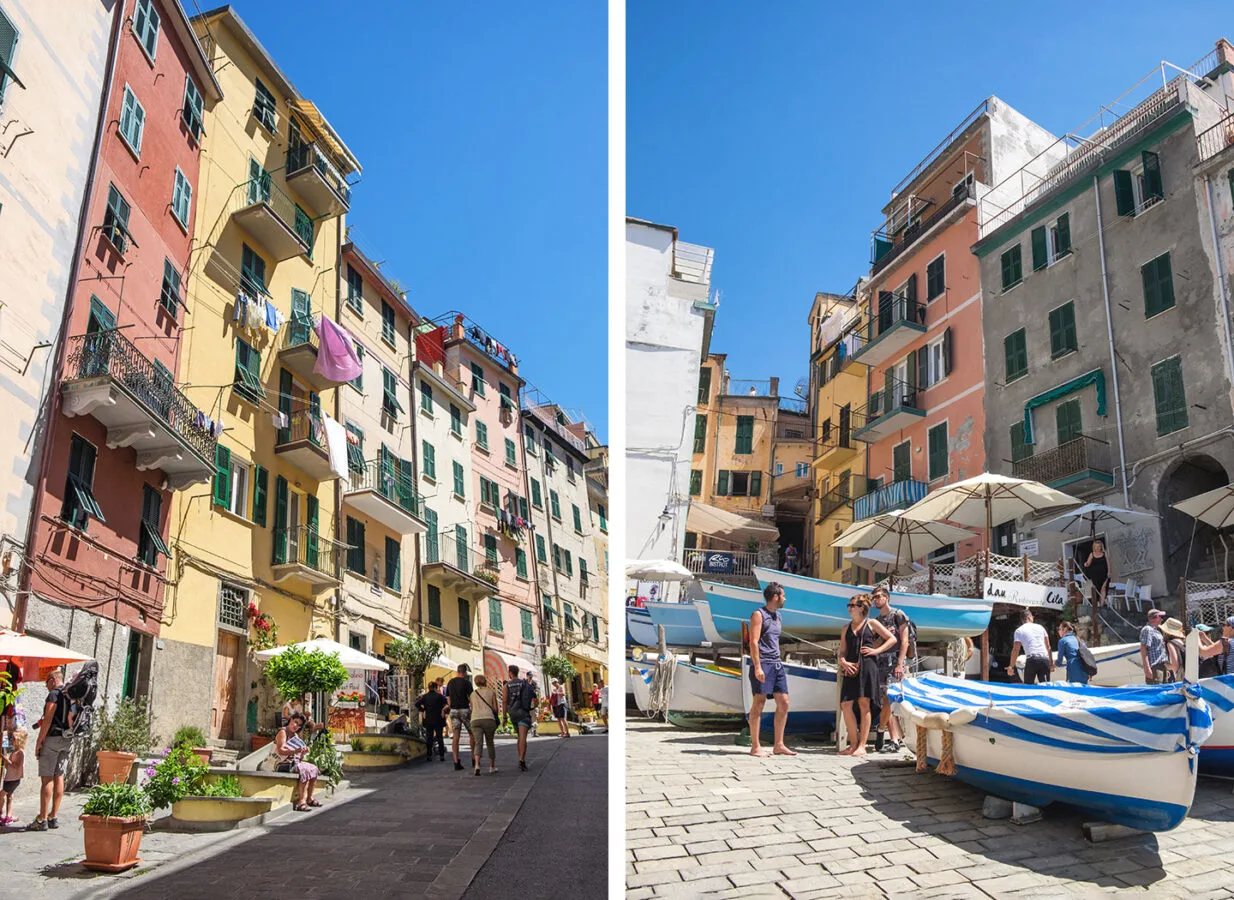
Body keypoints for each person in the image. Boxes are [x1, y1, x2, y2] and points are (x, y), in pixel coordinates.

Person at [838, 594, 896, 757]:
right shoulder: (845, 628)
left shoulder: (871, 623)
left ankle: (862, 746)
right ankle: (853, 744)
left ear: (861, 608)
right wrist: (843, 662)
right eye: (848, 605)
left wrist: (876, 651)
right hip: (850, 667)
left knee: (865, 704)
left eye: (852, 605)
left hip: (868, 666)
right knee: (845, 705)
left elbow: (891, 639)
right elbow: (842, 650)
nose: (849, 608)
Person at [747, 582, 797, 758]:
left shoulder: (779, 617)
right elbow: (753, 642)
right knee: (759, 703)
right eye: (783, 595)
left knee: (784, 703)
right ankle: (755, 746)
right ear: (775, 597)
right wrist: (758, 667)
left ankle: (779, 744)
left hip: (777, 664)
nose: (785, 598)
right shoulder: (758, 615)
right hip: (764, 664)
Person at [28, 669, 72, 831]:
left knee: (47, 779)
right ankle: (54, 816)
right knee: (59, 776)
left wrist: (40, 741)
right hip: (67, 739)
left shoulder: (54, 694)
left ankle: (42, 819)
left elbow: (48, 719)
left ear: (53, 679)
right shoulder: (69, 694)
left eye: (46, 681)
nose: (46, 685)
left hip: (52, 739)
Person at [870, 586, 910, 753]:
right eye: (874, 598)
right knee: (884, 701)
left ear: (886, 597)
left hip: (895, 663)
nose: (876, 600)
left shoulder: (898, 615)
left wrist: (900, 663)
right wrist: (882, 636)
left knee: (890, 699)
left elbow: (905, 640)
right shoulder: (876, 621)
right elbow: (874, 645)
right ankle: (892, 738)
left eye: (878, 596)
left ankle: (882, 731)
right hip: (880, 664)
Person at [272, 713, 320, 811]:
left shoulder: (295, 735)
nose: (296, 726)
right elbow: (281, 750)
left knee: (313, 769)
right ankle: (301, 802)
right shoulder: (283, 732)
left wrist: (302, 752)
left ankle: (309, 798)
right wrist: (296, 751)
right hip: (281, 763)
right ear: (291, 720)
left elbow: (298, 757)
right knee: (304, 769)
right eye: (295, 722)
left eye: (299, 725)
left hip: (292, 762)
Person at [504, 665, 537, 771]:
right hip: (523, 712)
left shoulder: (507, 685)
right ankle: (521, 759)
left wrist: (504, 717)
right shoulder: (525, 683)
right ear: (517, 672)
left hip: (513, 714)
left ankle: (520, 757)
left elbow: (504, 701)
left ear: (510, 673)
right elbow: (535, 700)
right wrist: (532, 707)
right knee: (523, 737)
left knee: (519, 736)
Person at [1008, 609, 1054, 684]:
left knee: (1028, 687)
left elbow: (1016, 650)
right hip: (1044, 659)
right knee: (1046, 686)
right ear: (1029, 617)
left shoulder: (1019, 631)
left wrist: (1011, 666)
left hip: (1032, 660)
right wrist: (1051, 663)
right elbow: (1048, 646)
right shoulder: (1041, 627)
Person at [469, 674, 500, 776]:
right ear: (485, 681)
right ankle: (492, 766)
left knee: (478, 743)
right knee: (490, 743)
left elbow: (472, 709)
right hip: (488, 719)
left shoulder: (473, 694)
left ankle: (477, 765)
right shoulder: (491, 692)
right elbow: (496, 709)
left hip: (475, 720)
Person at [444, 663, 473, 771]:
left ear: (457, 671)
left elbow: (448, 698)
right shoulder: (467, 683)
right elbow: (471, 698)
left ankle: (456, 762)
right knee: (472, 733)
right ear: (465, 672)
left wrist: (452, 707)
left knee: (456, 735)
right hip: (464, 710)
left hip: (454, 710)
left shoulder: (450, 682)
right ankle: (474, 759)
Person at [415, 681, 447, 761]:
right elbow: (447, 703)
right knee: (440, 737)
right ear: (436, 687)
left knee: (429, 738)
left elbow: (417, 704)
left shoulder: (425, 696)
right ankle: (441, 755)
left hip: (428, 720)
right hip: (438, 719)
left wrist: (423, 709)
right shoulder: (440, 696)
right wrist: (443, 710)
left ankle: (429, 755)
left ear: (429, 688)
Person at [1, 730, 26, 826]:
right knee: (10, 797)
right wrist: (7, 763)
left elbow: (18, 766)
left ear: (19, 741)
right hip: (9, 778)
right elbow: (9, 767)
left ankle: (4, 814)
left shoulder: (20, 753)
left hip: (13, 779)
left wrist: (7, 760)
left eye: (14, 739)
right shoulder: (14, 752)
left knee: (1, 795)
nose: (11, 740)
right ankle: (9, 816)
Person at [1140, 609, 1170, 684]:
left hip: (1162, 665)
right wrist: (1147, 669)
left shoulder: (1156, 630)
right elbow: (1144, 648)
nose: (1161, 619)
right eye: (1160, 617)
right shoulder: (1148, 629)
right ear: (1154, 618)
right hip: (1155, 666)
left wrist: (1166, 669)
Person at [1083, 539, 1111, 606]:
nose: (1098, 548)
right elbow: (1088, 563)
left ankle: (1101, 605)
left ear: (1101, 546)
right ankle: (1097, 604)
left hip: (1104, 574)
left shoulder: (1105, 553)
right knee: (1097, 589)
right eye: (1097, 546)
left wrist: (1109, 572)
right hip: (1095, 575)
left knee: (1103, 588)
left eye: (1100, 546)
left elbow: (1108, 563)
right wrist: (1086, 564)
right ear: (1094, 547)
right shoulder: (1092, 554)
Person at [1162, 618, 1187, 682]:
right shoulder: (1183, 642)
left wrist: (1166, 666)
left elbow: (1175, 666)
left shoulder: (1171, 644)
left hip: (1182, 678)